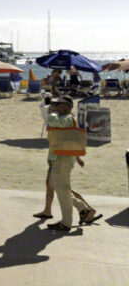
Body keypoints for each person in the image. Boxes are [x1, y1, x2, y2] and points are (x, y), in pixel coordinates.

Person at [38, 96, 99, 231]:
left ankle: (67, 222)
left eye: (57, 105)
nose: (53, 107)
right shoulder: (66, 119)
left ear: (65, 107)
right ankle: (83, 209)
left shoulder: (67, 119)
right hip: (59, 158)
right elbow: (57, 139)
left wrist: (52, 113)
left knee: (62, 189)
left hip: (63, 159)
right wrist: (51, 157)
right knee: (60, 188)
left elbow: (52, 121)